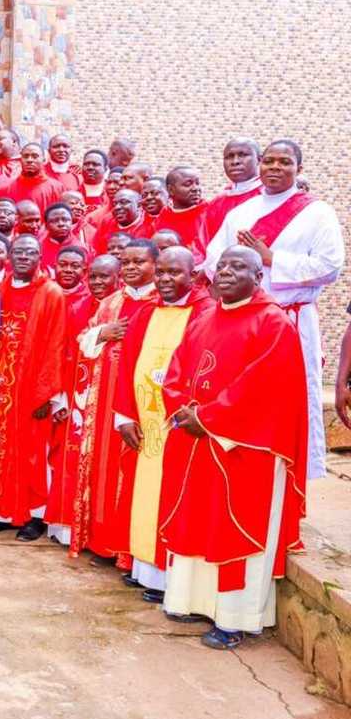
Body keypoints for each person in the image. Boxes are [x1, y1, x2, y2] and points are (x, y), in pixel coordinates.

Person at [159, 246, 308, 649]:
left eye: (238, 266)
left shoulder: (274, 323)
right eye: (221, 265)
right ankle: (190, 600)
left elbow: (262, 387)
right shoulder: (204, 317)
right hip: (198, 442)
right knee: (197, 519)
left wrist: (207, 417)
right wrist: (181, 407)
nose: (225, 271)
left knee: (233, 527)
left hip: (243, 448)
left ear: (258, 277)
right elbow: (176, 369)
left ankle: (233, 617)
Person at [204, 139, 343, 480]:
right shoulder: (241, 213)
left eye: (285, 162)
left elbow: (330, 265)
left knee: (287, 400)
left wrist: (272, 260)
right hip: (240, 321)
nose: (276, 168)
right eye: (269, 161)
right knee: (239, 395)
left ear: (299, 167)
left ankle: (288, 477)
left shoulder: (317, 212)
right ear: (260, 165)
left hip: (291, 320)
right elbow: (212, 260)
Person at [112, 246, 211, 601]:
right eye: (162, 273)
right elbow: (127, 365)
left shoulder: (205, 312)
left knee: (175, 497)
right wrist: (123, 416)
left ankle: (170, 578)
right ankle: (146, 570)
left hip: (179, 424)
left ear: (193, 274)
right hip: (145, 421)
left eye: (175, 273)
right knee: (145, 495)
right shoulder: (145, 312)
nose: (166, 279)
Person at [73, 239, 159, 563]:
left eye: (140, 262)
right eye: (127, 263)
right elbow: (84, 339)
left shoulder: (161, 303)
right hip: (107, 395)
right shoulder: (110, 302)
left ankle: (132, 552)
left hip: (143, 400)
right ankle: (104, 542)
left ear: (155, 264)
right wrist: (103, 332)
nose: (132, 268)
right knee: (105, 469)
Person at [0, 233, 65, 540]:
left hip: (31, 389)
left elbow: (55, 343)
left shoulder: (51, 293)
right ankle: (2, 512)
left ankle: (35, 516)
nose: (24, 257)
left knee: (32, 454)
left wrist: (48, 394)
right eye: (19, 253)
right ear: (9, 258)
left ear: (41, 257)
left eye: (31, 253)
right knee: (0, 448)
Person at [45, 253, 120, 546]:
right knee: (70, 460)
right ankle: (67, 528)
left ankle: (100, 537)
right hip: (76, 397)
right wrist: (59, 397)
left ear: (118, 277)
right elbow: (61, 350)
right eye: (94, 276)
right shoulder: (76, 306)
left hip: (109, 399)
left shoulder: (124, 307)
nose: (98, 282)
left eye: (105, 276)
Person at [197, 138, 262, 254]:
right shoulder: (216, 203)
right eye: (229, 157)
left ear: (259, 160)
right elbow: (202, 246)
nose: (235, 161)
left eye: (243, 155)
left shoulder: (268, 195)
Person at [0, 143, 65, 214]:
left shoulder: (57, 188)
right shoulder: (6, 189)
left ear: (44, 160)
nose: (29, 160)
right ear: (20, 160)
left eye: (35, 156)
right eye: (26, 156)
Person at [153, 166, 205, 254]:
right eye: (188, 184)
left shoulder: (209, 212)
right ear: (171, 190)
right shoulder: (162, 218)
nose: (195, 188)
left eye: (197, 183)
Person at [92, 189, 154, 255]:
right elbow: (97, 251)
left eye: (124, 202)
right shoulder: (107, 222)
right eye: (115, 204)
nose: (117, 207)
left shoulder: (149, 225)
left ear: (138, 205)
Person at [39, 202, 85, 273]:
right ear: (46, 225)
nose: (61, 224)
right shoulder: (39, 250)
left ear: (71, 222)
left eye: (65, 220)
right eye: (55, 221)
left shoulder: (83, 249)